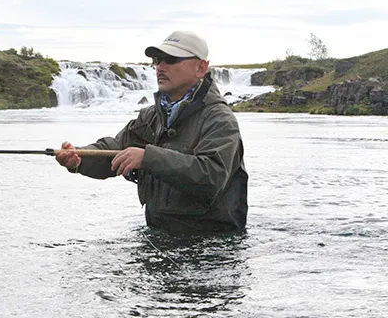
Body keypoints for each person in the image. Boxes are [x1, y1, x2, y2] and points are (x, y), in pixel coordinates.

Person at [55, 30, 248, 233]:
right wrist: (79, 158)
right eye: (158, 60)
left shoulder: (220, 119)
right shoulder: (151, 116)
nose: (160, 67)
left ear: (201, 67)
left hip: (212, 243)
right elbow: (116, 147)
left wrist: (149, 158)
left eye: (171, 60)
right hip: (162, 235)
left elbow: (212, 176)